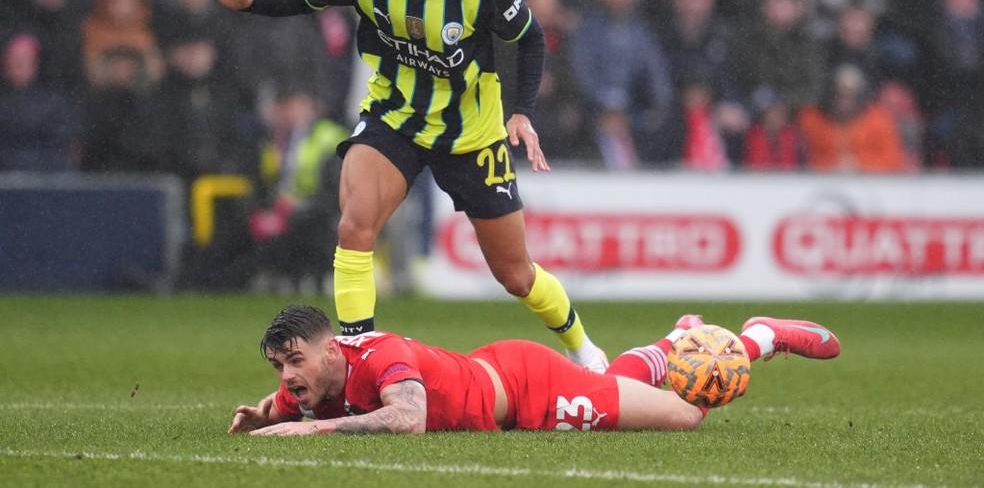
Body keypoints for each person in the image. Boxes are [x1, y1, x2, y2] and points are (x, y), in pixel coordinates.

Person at [196, 0, 607, 372]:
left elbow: (531, 37)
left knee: (516, 275)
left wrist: (521, 112)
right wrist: (249, 1)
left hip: (472, 134)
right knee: (354, 227)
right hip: (395, 118)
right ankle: (358, 364)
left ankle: (582, 346)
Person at [228, 304, 841, 436]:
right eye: (280, 366)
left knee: (688, 415)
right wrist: (266, 412)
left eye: (295, 361)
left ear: (333, 349)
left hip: (530, 388)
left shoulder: (383, 355)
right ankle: (677, 339)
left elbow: (409, 419)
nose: (287, 376)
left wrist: (314, 431)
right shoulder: (309, 383)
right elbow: (292, 404)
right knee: (609, 387)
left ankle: (759, 337)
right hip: (497, 375)